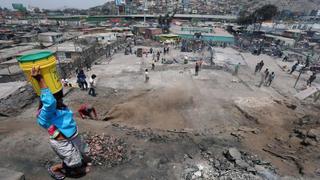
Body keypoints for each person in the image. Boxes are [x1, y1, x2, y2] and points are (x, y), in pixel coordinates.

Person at [31, 66, 88, 179]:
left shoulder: (59, 106)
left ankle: (74, 160)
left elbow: (65, 117)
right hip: (63, 142)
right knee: (74, 163)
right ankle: (54, 169)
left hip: (73, 136)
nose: (61, 99)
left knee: (82, 153)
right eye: (58, 97)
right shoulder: (44, 115)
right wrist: (40, 79)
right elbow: (50, 102)